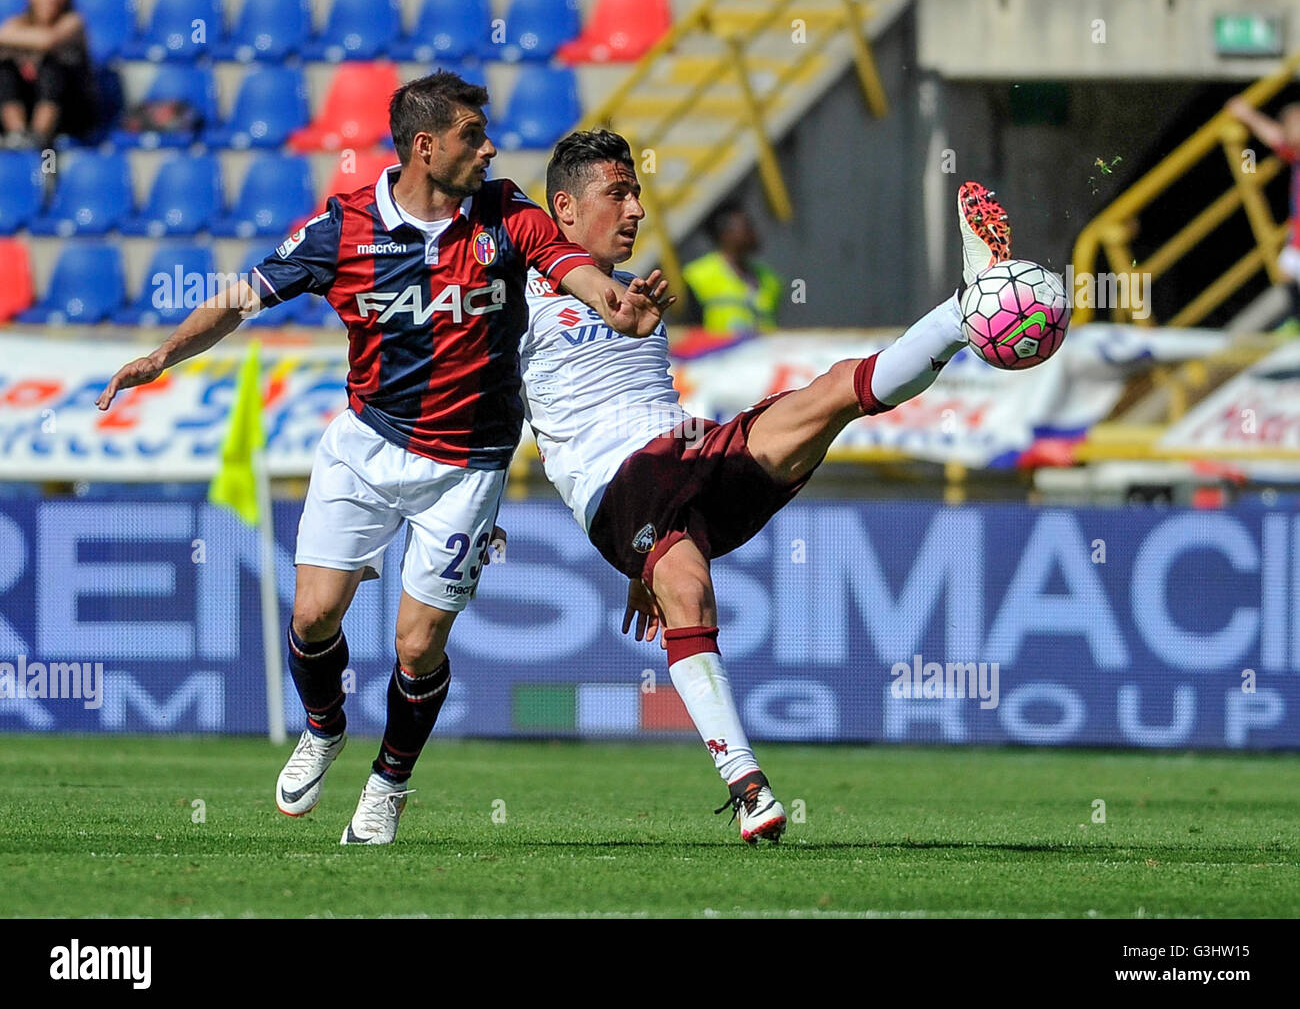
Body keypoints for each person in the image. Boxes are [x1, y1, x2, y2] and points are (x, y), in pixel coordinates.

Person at [96, 73, 671, 846]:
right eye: (474, 134)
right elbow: (242, 296)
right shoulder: (346, 230)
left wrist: (616, 303)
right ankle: (324, 727)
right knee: (312, 614)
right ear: (426, 147)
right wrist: (163, 354)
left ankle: (389, 783)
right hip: (369, 443)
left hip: (468, 463)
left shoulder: (507, 215)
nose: (491, 146)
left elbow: (573, 269)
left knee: (416, 643)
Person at [519, 130, 1010, 842]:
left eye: (637, 192)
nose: (636, 211)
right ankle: (748, 787)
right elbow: (496, 405)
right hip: (618, 482)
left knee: (840, 388)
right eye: (616, 194)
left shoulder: (637, 296)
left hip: (686, 456)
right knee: (686, 588)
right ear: (563, 208)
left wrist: (645, 548)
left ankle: (969, 307)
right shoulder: (512, 300)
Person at [0, 0, 95, 148]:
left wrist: (16, 42)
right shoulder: (18, 22)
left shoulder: (72, 22)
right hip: (30, 102)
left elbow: (48, 41)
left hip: (70, 110)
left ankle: (38, 137)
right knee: (5, 69)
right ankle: (17, 134)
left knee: (52, 66)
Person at [1226, 96, 1300, 326]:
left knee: (1287, 275)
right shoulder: (1294, 152)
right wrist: (1247, 114)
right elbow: (1275, 136)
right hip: (1296, 241)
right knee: (1286, 276)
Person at [681, 201, 783, 335]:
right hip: (717, 353)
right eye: (747, 227)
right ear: (725, 234)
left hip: (764, 353)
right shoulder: (697, 275)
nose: (754, 232)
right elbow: (688, 330)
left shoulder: (770, 278)